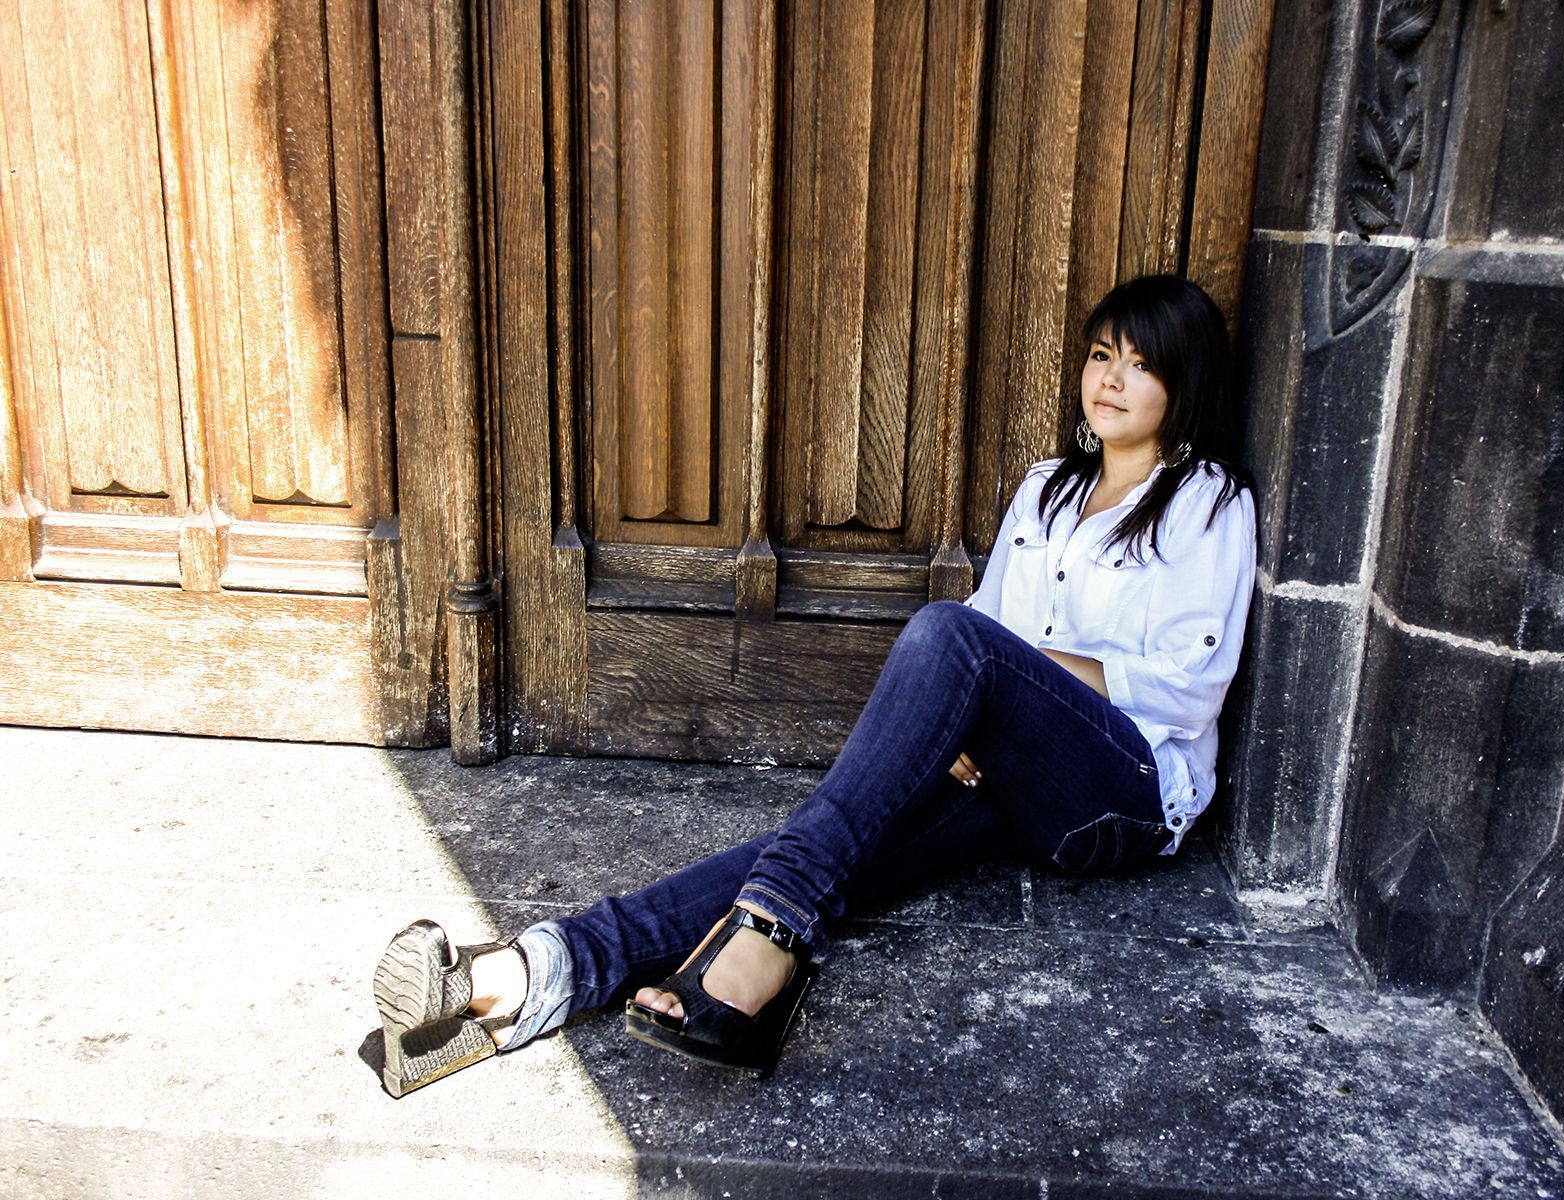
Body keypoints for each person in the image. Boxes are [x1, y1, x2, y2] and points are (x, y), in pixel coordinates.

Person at [372, 273, 1257, 1097]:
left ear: (1184, 386)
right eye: (1101, 355)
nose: (1111, 379)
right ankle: (543, 971)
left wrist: (1000, 695)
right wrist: (982, 716)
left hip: (1124, 797)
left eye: (1141, 365)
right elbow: (994, 627)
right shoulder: (1047, 490)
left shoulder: (1208, 502)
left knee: (943, 639)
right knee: (834, 845)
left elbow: (1187, 687)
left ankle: (771, 936)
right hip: (1013, 778)